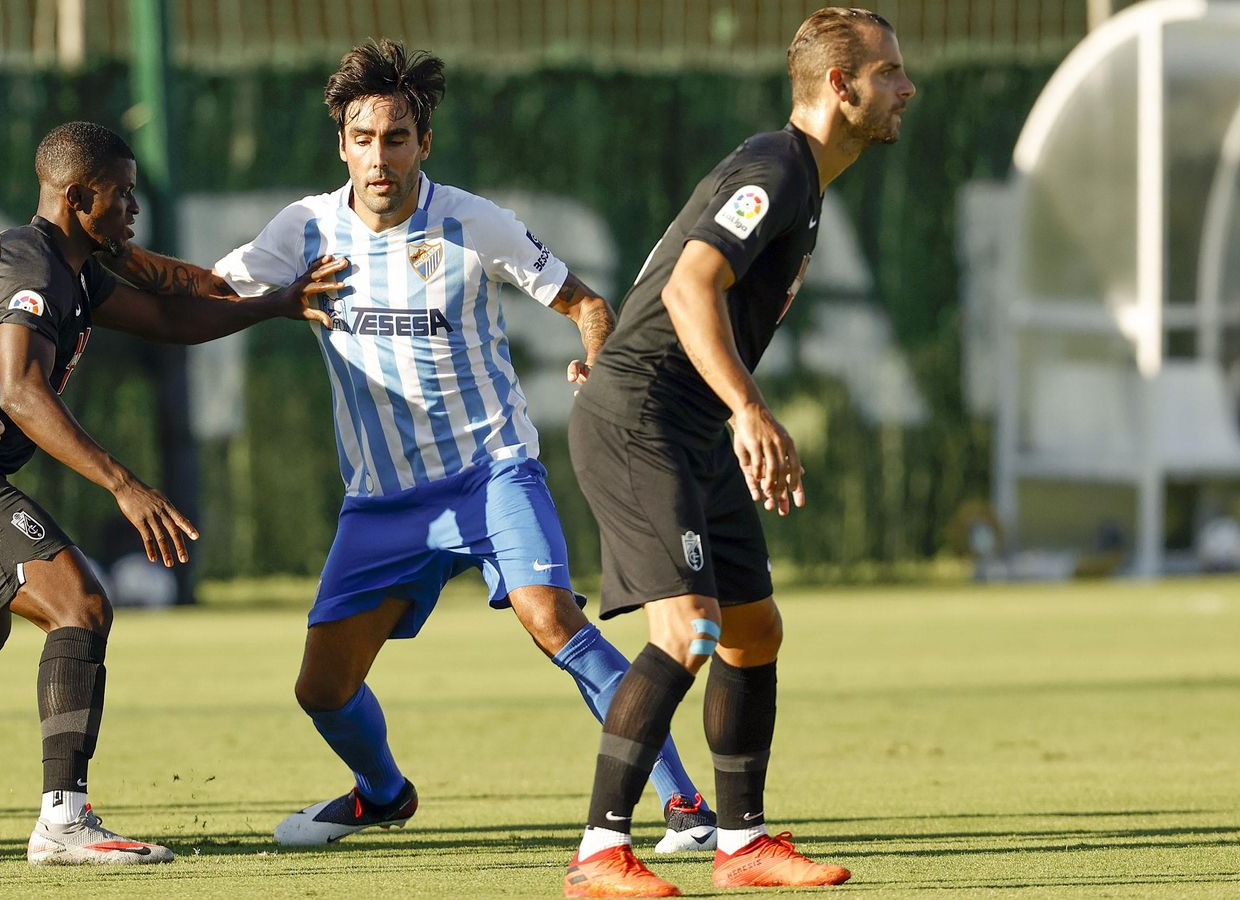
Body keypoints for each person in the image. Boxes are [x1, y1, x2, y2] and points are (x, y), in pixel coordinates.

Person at [213, 38, 715, 852]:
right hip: (381, 501)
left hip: (491, 472)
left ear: (424, 143)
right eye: (365, 139)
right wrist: (116, 266)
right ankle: (381, 795)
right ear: (342, 143)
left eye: (398, 138)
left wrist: (596, 348)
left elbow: (584, 301)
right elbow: (206, 288)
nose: (381, 157)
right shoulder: (303, 227)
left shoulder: (473, 221)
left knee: (552, 618)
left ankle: (686, 806)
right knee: (321, 689)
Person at [0, 121, 343, 865]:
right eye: (123, 194)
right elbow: (19, 391)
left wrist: (272, 304)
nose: (134, 207)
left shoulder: (74, 265)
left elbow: (172, 312)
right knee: (80, 604)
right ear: (80, 197)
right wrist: (124, 483)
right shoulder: (27, 263)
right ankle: (64, 822)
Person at [558, 8, 916, 896]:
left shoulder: (804, 178)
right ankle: (599, 855)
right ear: (841, 87)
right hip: (644, 418)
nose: (907, 88)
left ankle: (741, 843)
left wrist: (730, 415)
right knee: (688, 632)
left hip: (689, 424)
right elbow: (689, 284)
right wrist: (750, 409)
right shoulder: (777, 168)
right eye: (890, 73)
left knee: (753, 633)